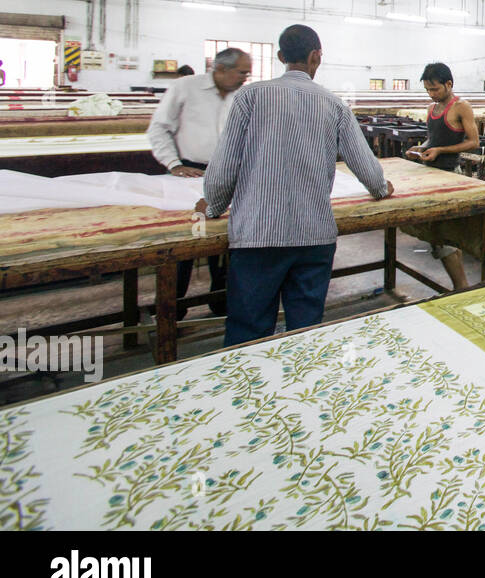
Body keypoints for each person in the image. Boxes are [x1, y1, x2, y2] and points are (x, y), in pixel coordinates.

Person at [199, 25, 392, 347]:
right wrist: (381, 188)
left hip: (257, 238)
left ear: (280, 57)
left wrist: (213, 205)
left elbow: (223, 168)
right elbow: (368, 170)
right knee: (304, 333)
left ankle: (245, 390)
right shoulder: (335, 106)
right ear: (316, 56)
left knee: (248, 332)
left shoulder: (250, 96)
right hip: (313, 238)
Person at [147, 47, 253, 309]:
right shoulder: (185, 88)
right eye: (241, 72)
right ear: (221, 69)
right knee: (188, 241)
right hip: (189, 174)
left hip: (227, 174)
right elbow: (159, 129)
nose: (245, 78)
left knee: (226, 240)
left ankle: (219, 301)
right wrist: (174, 164)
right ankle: (175, 308)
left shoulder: (242, 96)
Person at [403, 62, 481, 291]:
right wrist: (421, 148)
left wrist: (440, 151)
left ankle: (461, 287)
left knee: (445, 234)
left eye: (435, 89)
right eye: (428, 90)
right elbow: (432, 140)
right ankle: (460, 286)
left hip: (449, 175)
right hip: (430, 174)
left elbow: (473, 142)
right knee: (440, 235)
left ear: (449, 84)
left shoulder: (461, 107)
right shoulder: (432, 109)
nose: (432, 94)